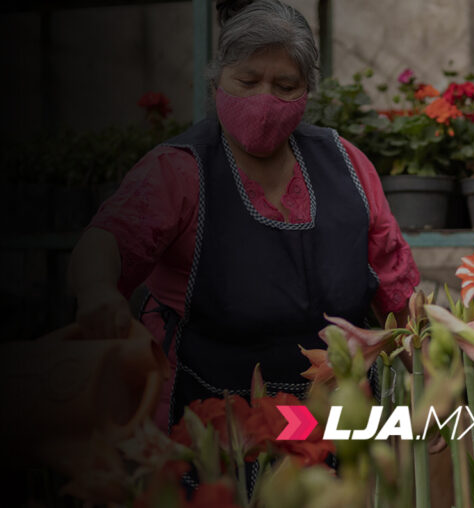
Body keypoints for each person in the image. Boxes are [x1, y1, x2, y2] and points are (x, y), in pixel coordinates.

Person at [68, 0, 419, 432]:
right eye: (247, 81)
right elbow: (107, 240)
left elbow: (396, 285)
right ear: (217, 79)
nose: (264, 101)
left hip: (333, 420)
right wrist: (96, 291)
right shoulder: (179, 170)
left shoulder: (345, 163)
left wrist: (433, 385)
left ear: (308, 90)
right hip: (215, 422)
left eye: (285, 85)